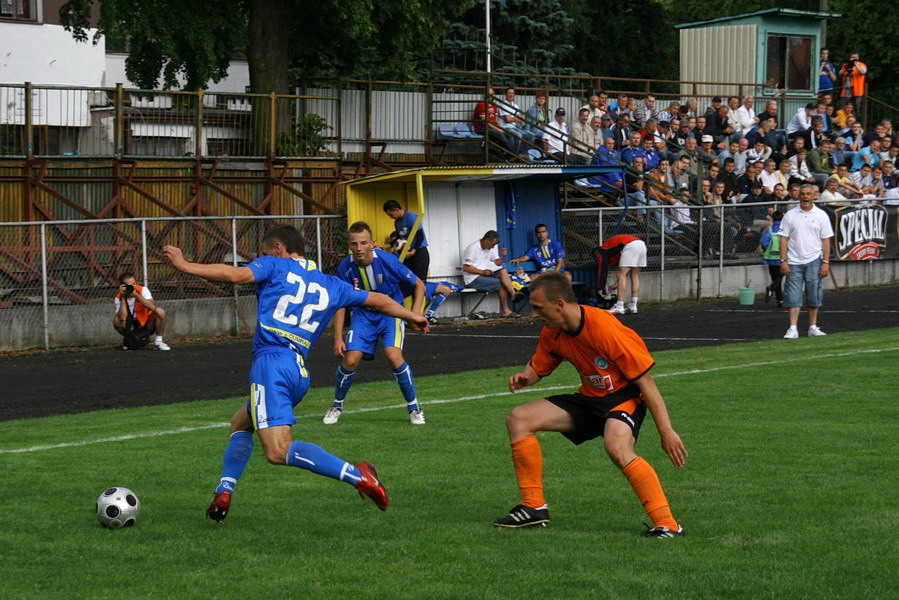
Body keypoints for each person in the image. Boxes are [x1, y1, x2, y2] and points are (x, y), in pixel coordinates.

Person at [161, 224, 429, 522]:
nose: (260, 258)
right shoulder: (331, 283)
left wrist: (185, 265)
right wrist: (413, 315)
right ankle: (224, 491)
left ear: (278, 248)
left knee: (277, 451)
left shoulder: (274, 264)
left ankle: (360, 476)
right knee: (241, 422)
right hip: (298, 372)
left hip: (271, 364)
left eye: (263, 252)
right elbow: (379, 300)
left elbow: (235, 275)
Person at [492, 273, 687, 537]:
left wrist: (666, 431)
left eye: (539, 308)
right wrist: (527, 378)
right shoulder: (553, 332)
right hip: (590, 399)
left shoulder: (605, 327)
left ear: (559, 304)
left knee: (616, 448)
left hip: (623, 399)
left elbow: (647, 384)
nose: (534, 314)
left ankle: (668, 524)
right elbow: (539, 366)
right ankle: (533, 507)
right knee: (519, 418)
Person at [325, 222, 428, 425]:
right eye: (354, 244)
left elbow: (418, 284)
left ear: (372, 243)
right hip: (363, 316)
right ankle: (336, 405)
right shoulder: (345, 267)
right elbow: (340, 303)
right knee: (351, 360)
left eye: (363, 243)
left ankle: (414, 408)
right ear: (349, 246)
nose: (359, 248)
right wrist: (337, 337)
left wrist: (415, 313)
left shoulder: (388, 260)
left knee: (393, 356)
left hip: (392, 315)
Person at [779, 184, 834, 339]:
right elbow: (784, 239)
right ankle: (793, 328)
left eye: (808, 194)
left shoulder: (821, 215)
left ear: (814, 196)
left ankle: (813, 326)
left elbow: (826, 241)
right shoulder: (790, 215)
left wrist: (826, 262)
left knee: (814, 295)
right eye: (802, 194)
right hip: (794, 260)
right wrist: (783, 260)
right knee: (793, 295)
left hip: (814, 260)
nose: (805, 197)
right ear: (798, 196)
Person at [462, 230, 524, 318]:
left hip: (483, 274)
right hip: (472, 279)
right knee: (501, 283)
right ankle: (506, 311)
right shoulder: (473, 248)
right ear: (486, 240)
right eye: (492, 244)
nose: (493, 247)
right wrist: (482, 272)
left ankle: (513, 294)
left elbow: (498, 263)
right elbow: (466, 268)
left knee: (503, 271)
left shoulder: (489, 248)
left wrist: (503, 256)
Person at [382, 199, 429, 300]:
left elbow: (420, 235)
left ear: (396, 210)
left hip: (419, 253)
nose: (390, 217)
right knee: (407, 280)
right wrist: (388, 245)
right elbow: (400, 236)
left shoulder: (411, 217)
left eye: (391, 214)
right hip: (407, 254)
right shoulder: (397, 222)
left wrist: (414, 250)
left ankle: (418, 311)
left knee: (419, 282)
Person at [113, 272, 170, 351]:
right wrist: (123, 297)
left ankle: (158, 342)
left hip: (146, 323)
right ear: (123, 286)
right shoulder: (118, 297)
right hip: (131, 324)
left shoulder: (142, 290)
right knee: (116, 320)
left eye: (134, 283)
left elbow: (153, 307)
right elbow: (122, 318)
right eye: (129, 285)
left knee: (160, 311)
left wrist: (136, 295)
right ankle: (131, 341)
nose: (133, 286)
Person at [593, 234, 647, 315]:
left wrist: (600, 288)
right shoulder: (613, 249)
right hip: (641, 245)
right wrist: (616, 284)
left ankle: (619, 306)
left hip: (631, 245)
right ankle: (633, 305)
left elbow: (602, 269)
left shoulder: (601, 251)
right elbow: (627, 271)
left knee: (621, 275)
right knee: (635, 276)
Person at [760, 210, 785, 307]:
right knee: (780, 277)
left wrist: (767, 249)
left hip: (770, 258)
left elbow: (763, 241)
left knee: (774, 277)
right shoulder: (785, 230)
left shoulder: (769, 230)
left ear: (773, 219)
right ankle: (771, 288)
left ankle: (780, 299)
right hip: (782, 257)